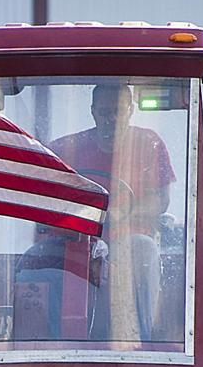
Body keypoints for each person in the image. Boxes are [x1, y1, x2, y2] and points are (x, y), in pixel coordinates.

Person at [49, 84, 178, 341]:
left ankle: (143, 339)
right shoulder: (66, 149)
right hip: (75, 241)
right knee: (32, 260)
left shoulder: (148, 143)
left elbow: (160, 199)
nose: (112, 119)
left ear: (130, 110)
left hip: (129, 238)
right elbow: (51, 196)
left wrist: (122, 214)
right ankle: (36, 344)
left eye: (118, 111)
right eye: (105, 112)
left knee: (143, 251)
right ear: (93, 112)